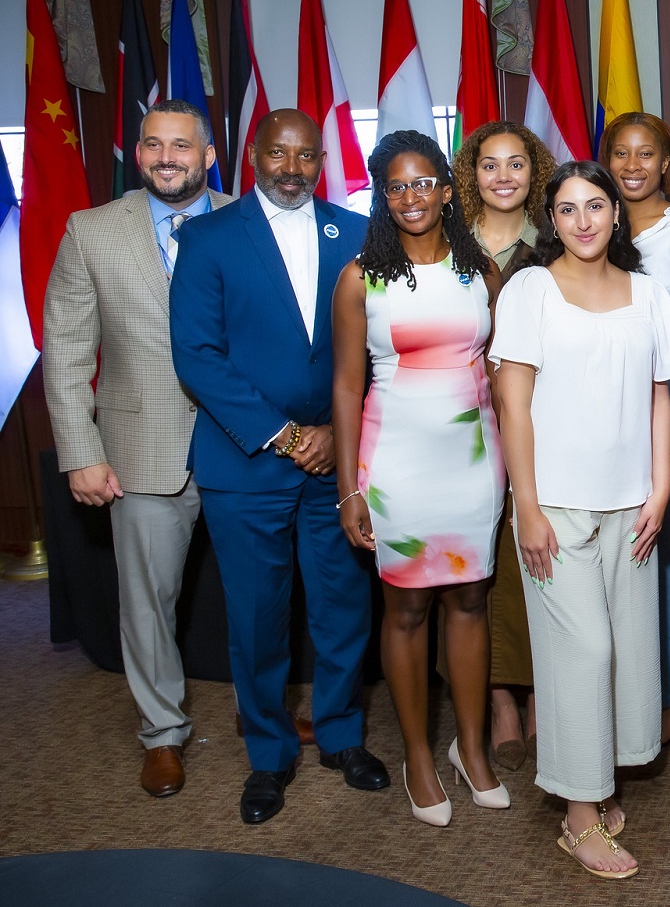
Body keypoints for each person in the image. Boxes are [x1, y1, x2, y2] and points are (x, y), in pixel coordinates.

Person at [169, 109, 389, 825]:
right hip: (248, 463)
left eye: (304, 157)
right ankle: (268, 755)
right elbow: (197, 354)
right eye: (276, 154)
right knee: (259, 618)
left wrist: (335, 434)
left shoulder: (355, 234)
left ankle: (341, 736)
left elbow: (376, 349)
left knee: (342, 607)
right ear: (252, 155)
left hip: (339, 459)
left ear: (321, 160)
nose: (290, 170)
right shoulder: (206, 237)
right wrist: (288, 436)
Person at [490, 161, 670, 880]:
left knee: (629, 657)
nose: (583, 221)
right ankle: (577, 818)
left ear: (615, 213)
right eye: (566, 209)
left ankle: (598, 786)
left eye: (594, 206)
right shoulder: (531, 290)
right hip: (556, 509)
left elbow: (659, 398)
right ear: (552, 220)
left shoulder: (648, 293)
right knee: (584, 656)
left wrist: (660, 489)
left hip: (632, 504)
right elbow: (513, 404)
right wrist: (527, 506)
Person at [42, 100, 232, 799]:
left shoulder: (250, 221)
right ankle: (162, 732)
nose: (165, 157)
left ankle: (267, 714)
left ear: (208, 156)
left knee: (263, 590)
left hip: (245, 447)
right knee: (147, 601)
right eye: (153, 144)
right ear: (139, 153)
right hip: (140, 446)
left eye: (181, 145)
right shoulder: (92, 230)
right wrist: (79, 451)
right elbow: (64, 351)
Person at [331, 131, 507, 826]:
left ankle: (471, 748)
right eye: (397, 186)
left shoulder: (479, 269)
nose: (412, 197)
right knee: (406, 609)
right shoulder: (359, 277)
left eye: (424, 182)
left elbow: (501, 369)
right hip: (396, 462)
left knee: (469, 598)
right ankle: (419, 756)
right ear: (383, 195)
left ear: (445, 188)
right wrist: (349, 487)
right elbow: (346, 389)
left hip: (472, 460)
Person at [450, 120, 557, 772]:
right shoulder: (446, 243)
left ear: (534, 172)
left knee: (540, 558)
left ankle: (546, 688)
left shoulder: (556, 239)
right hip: (461, 423)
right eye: (490, 165)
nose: (503, 177)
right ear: (472, 175)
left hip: (543, 418)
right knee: (479, 564)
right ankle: (498, 700)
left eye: (516, 164)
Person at [601, 112, 670, 742]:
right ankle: (622, 691)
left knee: (648, 560)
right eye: (620, 154)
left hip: (667, 426)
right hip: (601, 426)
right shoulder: (592, 228)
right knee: (611, 564)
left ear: (667, 163)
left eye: (647, 154)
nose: (633, 166)